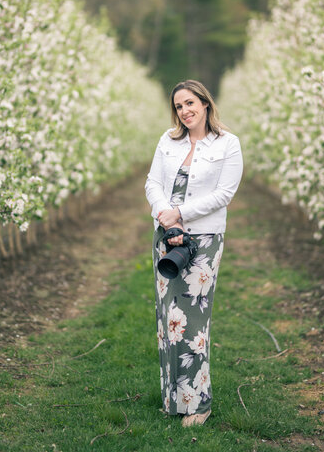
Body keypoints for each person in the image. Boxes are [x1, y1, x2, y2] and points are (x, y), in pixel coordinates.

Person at [145, 79, 243, 427]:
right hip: (166, 236)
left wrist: (181, 214)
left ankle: (199, 404)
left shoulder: (227, 144)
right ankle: (174, 400)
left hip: (202, 241)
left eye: (189, 103)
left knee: (193, 323)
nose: (184, 111)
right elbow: (152, 183)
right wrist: (165, 215)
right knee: (168, 319)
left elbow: (224, 193)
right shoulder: (168, 142)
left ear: (205, 103)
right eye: (178, 106)